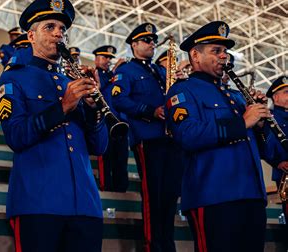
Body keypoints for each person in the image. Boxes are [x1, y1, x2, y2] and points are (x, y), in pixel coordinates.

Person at [0, 0, 108, 252]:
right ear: (31, 36)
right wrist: (63, 106)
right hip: (38, 202)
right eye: (49, 27)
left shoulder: (71, 81)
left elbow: (100, 146)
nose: (59, 34)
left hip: (86, 204)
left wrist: (93, 109)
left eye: (62, 29)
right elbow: (16, 137)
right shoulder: (14, 79)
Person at [165, 21, 285, 252]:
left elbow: (265, 151)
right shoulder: (182, 91)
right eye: (216, 51)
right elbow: (187, 135)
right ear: (195, 55)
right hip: (213, 196)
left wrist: (260, 124)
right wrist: (242, 122)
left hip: (251, 194)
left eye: (225, 52)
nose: (224, 57)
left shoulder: (237, 97)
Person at [112, 23, 181, 252]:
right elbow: (120, 100)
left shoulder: (160, 71)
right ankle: (153, 245)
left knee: (170, 195)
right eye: (147, 41)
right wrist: (151, 111)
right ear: (134, 45)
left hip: (170, 138)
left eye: (153, 40)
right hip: (148, 139)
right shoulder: (126, 71)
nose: (152, 44)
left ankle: (167, 243)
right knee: (153, 195)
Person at [93, 45, 128, 192]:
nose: (108, 60)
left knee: (121, 156)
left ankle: (121, 187)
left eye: (110, 58)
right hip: (104, 121)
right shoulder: (94, 73)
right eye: (104, 57)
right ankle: (105, 186)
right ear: (96, 58)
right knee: (106, 156)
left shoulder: (113, 75)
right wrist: (115, 71)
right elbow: (97, 89)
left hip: (118, 120)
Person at [266, 76, 288, 247]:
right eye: (286, 92)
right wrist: (277, 161)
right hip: (285, 175)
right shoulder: (269, 119)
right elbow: (266, 147)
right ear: (275, 97)